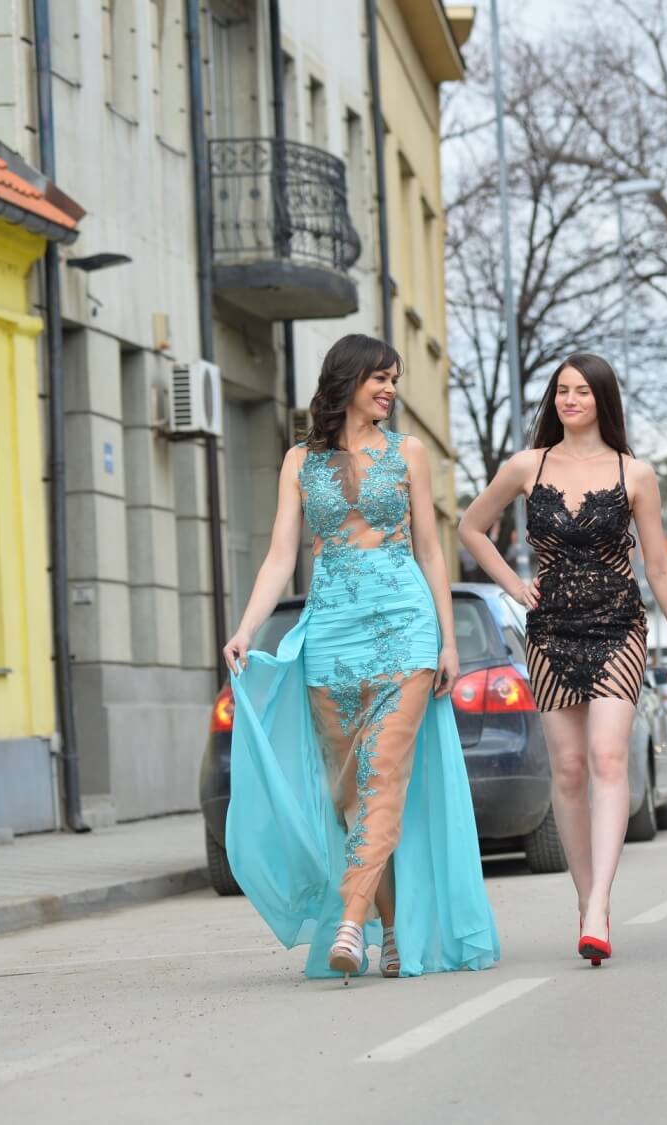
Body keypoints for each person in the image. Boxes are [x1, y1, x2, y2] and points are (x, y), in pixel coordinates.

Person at [222, 334, 499, 981]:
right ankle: (393, 928)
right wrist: (246, 628)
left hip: (405, 629)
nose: (390, 389)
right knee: (351, 794)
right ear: (347, 379)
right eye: (380, 378)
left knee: (383, 775)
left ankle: (350, 922)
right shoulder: (299, 461)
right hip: (331, 639)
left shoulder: (409, 452)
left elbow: (431, 550)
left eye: (394, 379)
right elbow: (281, 555)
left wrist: (448, 640)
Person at [458, 354, 667, 965]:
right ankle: (586, 900)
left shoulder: (636, 473)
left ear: (603, 398)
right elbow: (470, 527)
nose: (570, 400)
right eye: (561, 391)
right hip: (549, 630)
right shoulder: (527, 465)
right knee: (571, 769)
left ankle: (600, 904)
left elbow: (659, 568)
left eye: (581, 390)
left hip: (618, 626)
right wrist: (512, 585)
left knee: (607, 757)